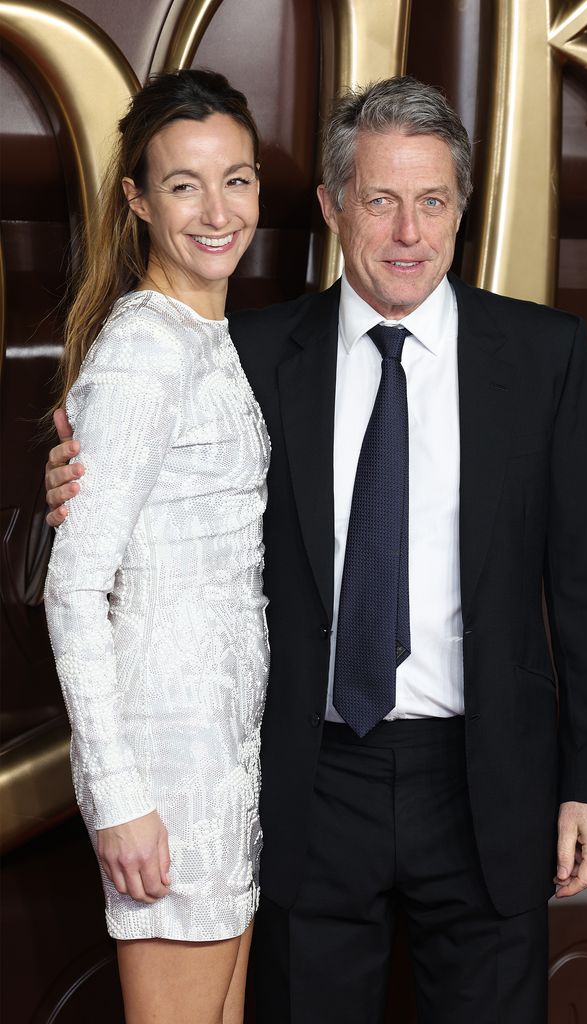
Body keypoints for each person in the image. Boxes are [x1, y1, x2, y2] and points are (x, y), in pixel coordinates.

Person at [45, 77, 587, 1023]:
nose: (408, 232)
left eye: (432, 200)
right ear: (330, 205)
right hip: (308, 787)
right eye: (379, 200)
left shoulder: (542, 355)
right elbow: (158, 484)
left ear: (461, 207)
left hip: (488, 780)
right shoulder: (245, 350)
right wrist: (75, 480)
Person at [43, 69, 270, 1024]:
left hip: (226, 755)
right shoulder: (143, 353)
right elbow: (73, 588)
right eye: (183, 184)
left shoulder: (207, 337)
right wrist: (119, 792)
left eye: (238, 179)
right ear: (136, 201)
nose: (217, 211)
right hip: (168, 772)